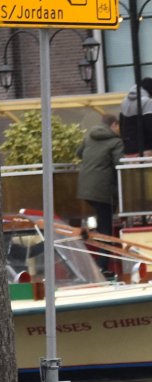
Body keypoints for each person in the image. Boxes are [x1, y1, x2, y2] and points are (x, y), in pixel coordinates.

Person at [77, 114, 122, 276]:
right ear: (114, 124)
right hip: (103, 190)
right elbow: (120, 164)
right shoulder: (116, 142)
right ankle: (101, 267)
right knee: (105, 229)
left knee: (101, 224)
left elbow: (79, 153)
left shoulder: (90, 136)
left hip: (86, 188)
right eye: (119, 127)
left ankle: (97, 265)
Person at [117, 77, 152, 156]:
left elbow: (121, 127)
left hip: (128, 150)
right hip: (146, 149)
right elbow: (150, 125)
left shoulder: (124, 102)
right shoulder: (147, 102)